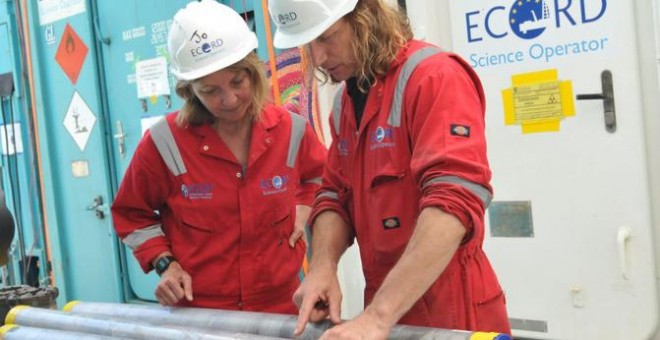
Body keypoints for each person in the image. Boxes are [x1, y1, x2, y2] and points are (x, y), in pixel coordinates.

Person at [268, 0, 511, 337]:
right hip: (385, 304)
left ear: (365, 15)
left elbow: (453, 201)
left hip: (453, 309)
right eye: (309, 44)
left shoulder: (435, 76)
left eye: (326, 37)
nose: (319, 57)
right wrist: (323, 265)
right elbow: (334, 196)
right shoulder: (344, 104)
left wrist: (378, 317)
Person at [111, 0, 326, 314]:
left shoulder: (292, 131)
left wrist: (306, 201)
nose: (229, 99)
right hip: (201, 315)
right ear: (189, 91)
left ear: (253, 71)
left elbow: (325, 177)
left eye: (237, 81)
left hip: (281, 309)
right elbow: (131, 215)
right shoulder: (163, 143)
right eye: (210, 90)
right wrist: (165, 264)